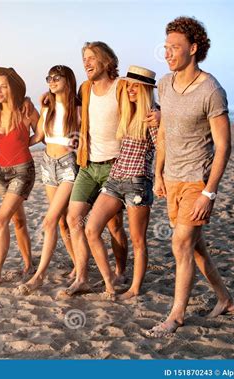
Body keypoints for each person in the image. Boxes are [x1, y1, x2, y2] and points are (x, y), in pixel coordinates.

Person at [146, 17, 234, 337]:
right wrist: (157, 172)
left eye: (175, 48)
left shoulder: (211, 90)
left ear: (194, 49)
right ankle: (225, 299)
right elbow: (166, 133)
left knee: (180, 243)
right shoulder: (165, 85)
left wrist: (208, 194)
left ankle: (176, 315)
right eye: (166, 47)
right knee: (196, 248)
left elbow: (224, 146)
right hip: (171, 179)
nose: (167, 53)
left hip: (197, 181)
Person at [61, 42, 160, 297]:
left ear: (106, 61)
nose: (86, 62)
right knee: (74, 219)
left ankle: (120, 272)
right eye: (84, 58)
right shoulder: (85, 88)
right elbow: (76, 111)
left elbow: (147, 99)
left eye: (91, 58)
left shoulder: (122, 86)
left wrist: (160, 114)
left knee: (115, 227)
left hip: (117, 164)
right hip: (88, 163)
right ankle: (82, 276)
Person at [85, 65, 158, 300]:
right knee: (91, 228)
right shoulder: (128, 111)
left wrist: (161, 178)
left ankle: (135, 288)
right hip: (115, 179)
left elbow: (164, 148)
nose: (131, 90)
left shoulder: (153, 114)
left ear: (146, 89)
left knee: (138, 240)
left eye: (137, 86)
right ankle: (109, 282)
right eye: (129, 85)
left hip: (138, 182)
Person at [17, 65, 80, 295]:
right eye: (49, 78)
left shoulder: (79, 108)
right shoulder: (48, 107)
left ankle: (39, 275)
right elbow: (39, 137)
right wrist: (16, 142)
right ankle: (77, 263)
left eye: (56, 77)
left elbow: (84, 140)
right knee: (62, 222)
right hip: (47, 165)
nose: (51, 81)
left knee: (49, 220)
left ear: (67, 79)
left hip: (68, 166)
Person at [0, 67, 39, 288]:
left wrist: (25, 143)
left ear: (12, 88)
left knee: (0, 219)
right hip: (2, 172)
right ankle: (28, 265)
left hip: (23, 170)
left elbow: (41, 132)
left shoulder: (25, 110)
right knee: (18, 220)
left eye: (4, 86)